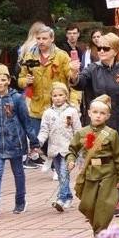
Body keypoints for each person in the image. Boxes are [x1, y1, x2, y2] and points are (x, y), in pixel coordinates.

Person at [0, 64, 38, 218]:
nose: (0, 83)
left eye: (3, 79)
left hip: (15, 142)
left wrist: (34, 142)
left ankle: (20, 200)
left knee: (18, 172)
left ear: (9, 80)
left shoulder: (16, 98)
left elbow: (26, 121)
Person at [67, 94, 119, 233]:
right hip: (90, 173)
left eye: (102, 113)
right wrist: (70, 160)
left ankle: (100, 233)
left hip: (108, 173)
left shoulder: (111, 134)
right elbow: (72, 150)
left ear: (108, 116)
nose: (98, 116)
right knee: (86, 205)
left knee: (104, 205)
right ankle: (99, 230)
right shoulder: (82, 132)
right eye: (95, 112)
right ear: (89, 113)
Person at [17, 25, 73, 166]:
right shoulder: (29, 56)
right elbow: (20, 79)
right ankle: (55, 162)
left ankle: (57, 165)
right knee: (37, 138)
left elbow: (71, 78)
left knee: (55, 137)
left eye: (44, 38)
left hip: (56, 104)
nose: (41, 41)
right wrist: (25, 81)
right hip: (37, 105)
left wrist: (75, 72)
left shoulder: (61, 56)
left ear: (52, 39)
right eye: (38, 38)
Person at [37, 82, 81, 214]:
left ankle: (61, 198)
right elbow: (44, 129)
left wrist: (78, 147)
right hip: (54, 149)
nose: (57, 98)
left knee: (63, 172)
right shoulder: (48, 113)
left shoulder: (72, 111)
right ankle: (68, 196)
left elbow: (78, 130)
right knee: (61, 174)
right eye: (55, 95)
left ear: (66, 96)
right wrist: (38, 142)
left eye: (60, 95)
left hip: (68, 149)